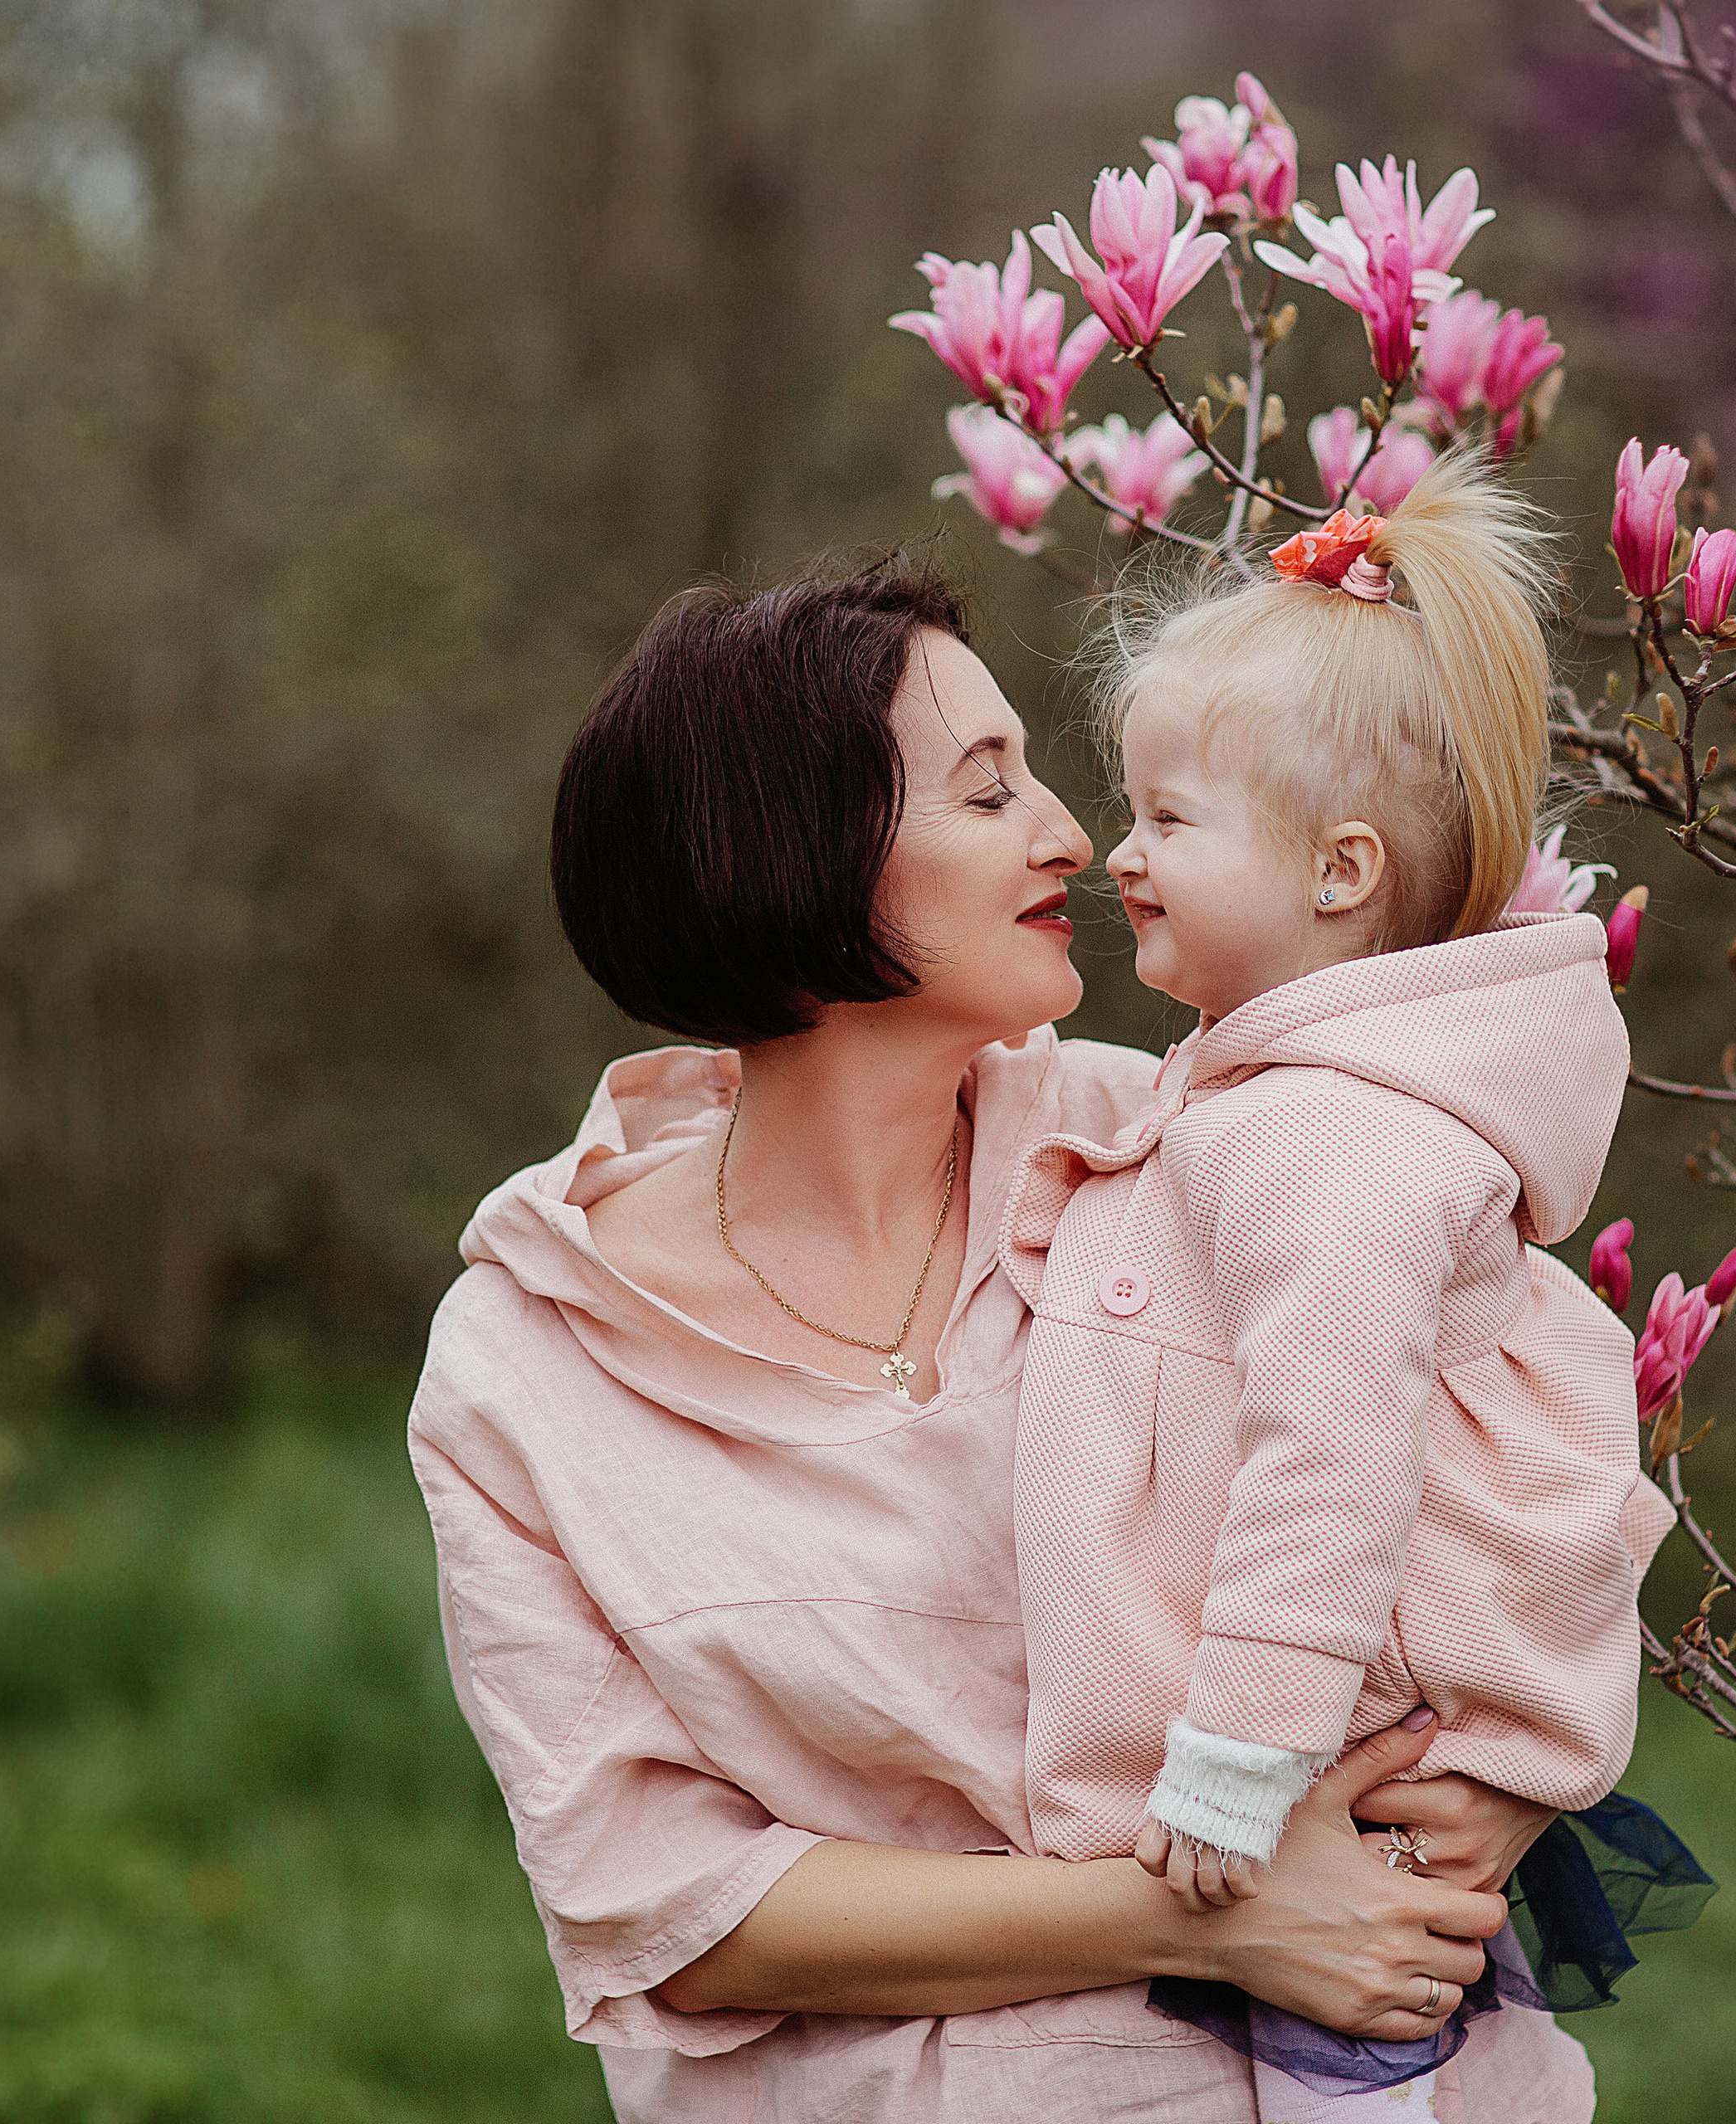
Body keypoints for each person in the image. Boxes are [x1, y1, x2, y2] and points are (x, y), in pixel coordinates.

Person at [407, 558, 1599, 2122]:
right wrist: (1212, 1915)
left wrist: (1480, 1801)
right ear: (797, 857)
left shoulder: (1195, 1139)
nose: (1070, 837)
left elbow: (1506, 1459)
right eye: (987, 795)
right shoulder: (524, 1362)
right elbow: (654, 1902)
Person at [1001, 456, 1690, 2122]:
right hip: (1338, 1740)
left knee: (1348, 2064)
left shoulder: (1328, 1133)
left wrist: (1235, 1754)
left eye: (1170, 817)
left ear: (1336, 872)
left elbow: (1329, 1459)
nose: (1118, 849)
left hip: (1327, 1752)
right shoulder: (1274, 1090)